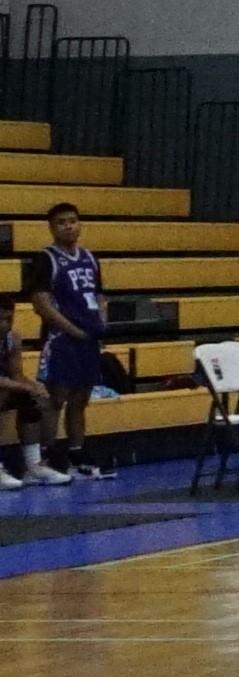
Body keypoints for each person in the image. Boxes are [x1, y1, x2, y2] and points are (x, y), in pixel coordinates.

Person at [21, 200, 111, 482]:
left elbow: (99, 294)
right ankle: (48, 455)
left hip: (88, 338)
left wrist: (101, 323)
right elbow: (41, 304)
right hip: (61, 339)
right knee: (55, 398)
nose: (69, 225)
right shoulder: (46, 259)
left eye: (73, 220)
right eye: (62, 222)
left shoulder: (90, 257)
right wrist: (72, 330)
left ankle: (77, 451)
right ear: (51, 227)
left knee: (81, 399)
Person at [0, 308, 50, 487]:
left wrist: (34, 387)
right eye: (0, 319)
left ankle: (33, 465)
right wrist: (23, 387)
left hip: (5, 386)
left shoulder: (12, 338)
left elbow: (17, 374)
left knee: (32, 399)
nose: (4, 324)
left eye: (8, 319)